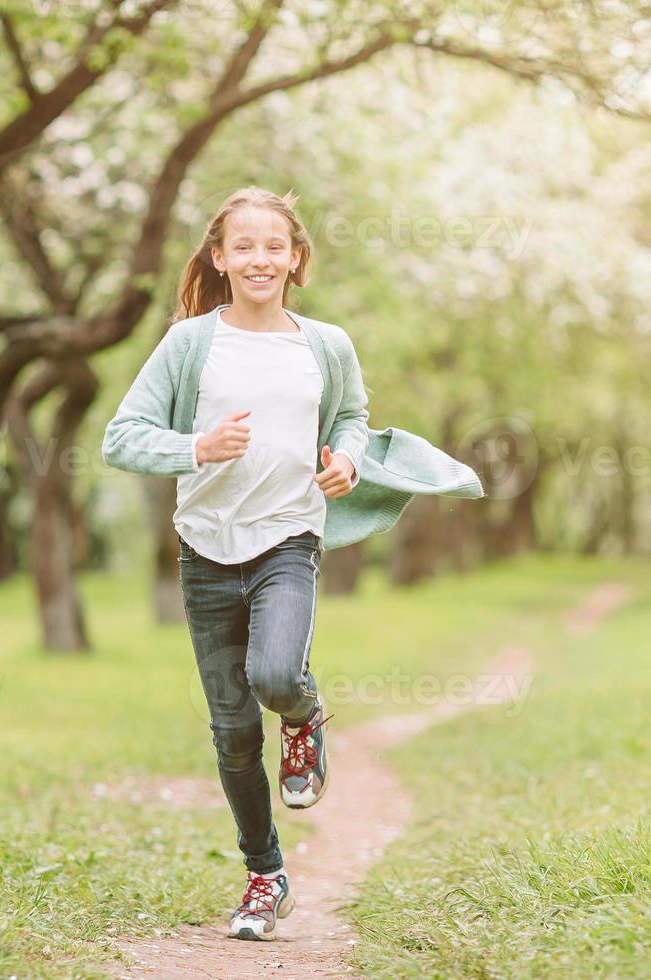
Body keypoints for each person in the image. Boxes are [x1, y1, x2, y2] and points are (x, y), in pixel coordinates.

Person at [102, 187, 485, 942]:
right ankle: (264, 875)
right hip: (204, 550)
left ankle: (306, 718)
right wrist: (194, 448)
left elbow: (350, 416)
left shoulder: (324, 345)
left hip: (287, 538)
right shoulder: (189, 344)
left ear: (296, 259)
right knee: (234, 731)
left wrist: (344, 458)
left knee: (276, 676)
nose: (258, 259)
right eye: (242, 246)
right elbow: (122, 436)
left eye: (273, 245)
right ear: (219, 257)